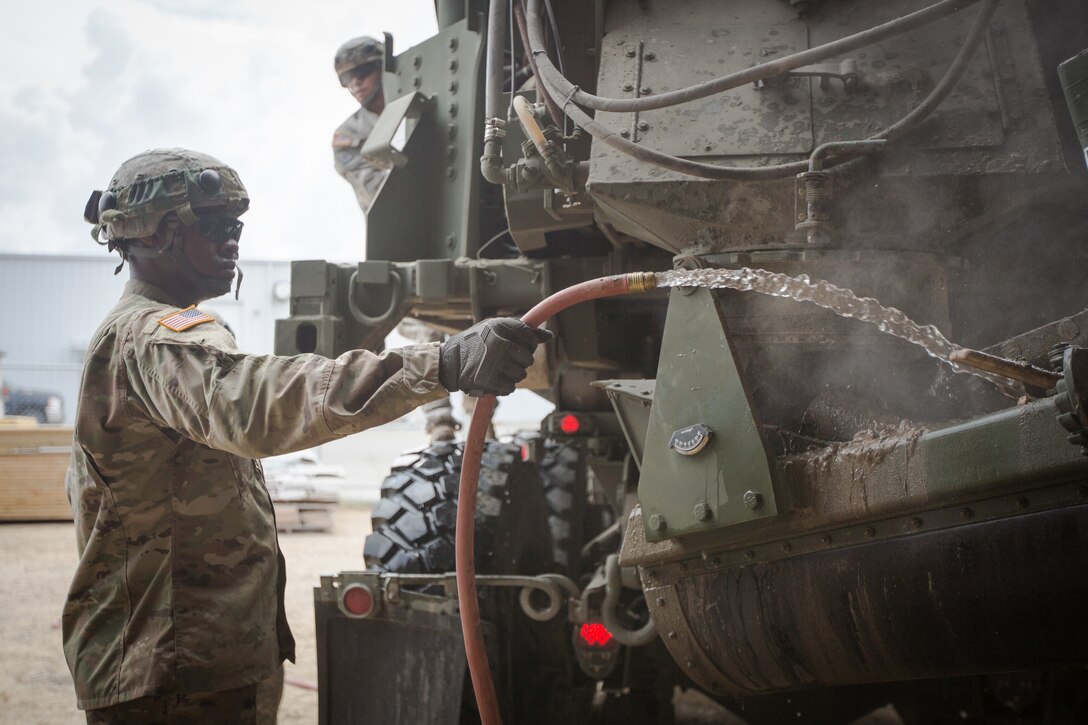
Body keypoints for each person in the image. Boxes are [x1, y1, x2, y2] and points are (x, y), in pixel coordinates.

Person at [66, 148, 550, 724]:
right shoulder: (157, 337)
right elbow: (255, 405)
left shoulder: (145, 336)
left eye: (236, 226)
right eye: (216, 225)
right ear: (157, 233)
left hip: (192, 661)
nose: (232, 240)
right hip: (172, 674)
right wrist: (440, 365)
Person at [332, 35, 463, 441]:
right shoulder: (348, 136)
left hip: (456, 235)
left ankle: (480, 417)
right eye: (347, 79)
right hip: (405, 243)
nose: (356, 84)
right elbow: (382, 190)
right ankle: (439, 423)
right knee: (423, 330)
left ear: (383, 68)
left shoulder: (433, 105)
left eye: (364, 72)